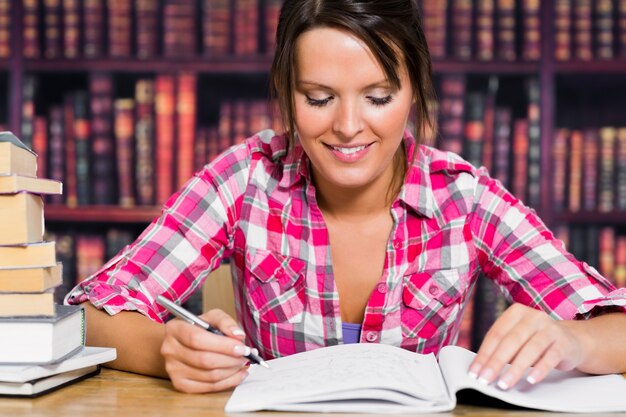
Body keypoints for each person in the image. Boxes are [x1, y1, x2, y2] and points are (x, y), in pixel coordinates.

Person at [67, 0, 626, 395]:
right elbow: (92, 316)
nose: (349, 126)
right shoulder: (243, 180)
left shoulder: (464, 198)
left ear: (414, 91)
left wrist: (573, 341)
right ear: (287, 93)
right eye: (319, 97)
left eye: (379, 96)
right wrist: (170, 351)